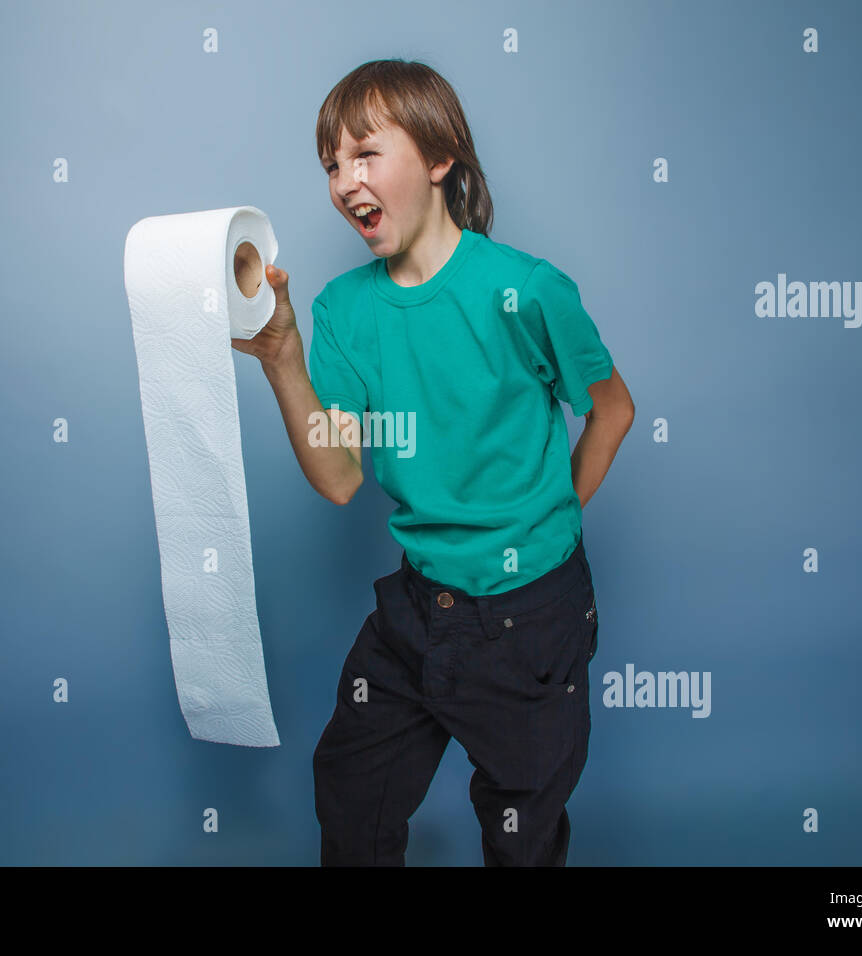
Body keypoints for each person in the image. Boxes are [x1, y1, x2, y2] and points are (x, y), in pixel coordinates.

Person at [232, 59, 635, 865]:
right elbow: (340, 475)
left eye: (366, 153)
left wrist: (545, 521)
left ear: (440, 156)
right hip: (419, 612)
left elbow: (611, 409)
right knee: (351, 786)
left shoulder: (525, 291)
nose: (346, 181)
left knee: (521, 826)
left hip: (532, 618)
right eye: (331, 165)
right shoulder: (342, 311)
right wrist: (282, 358)